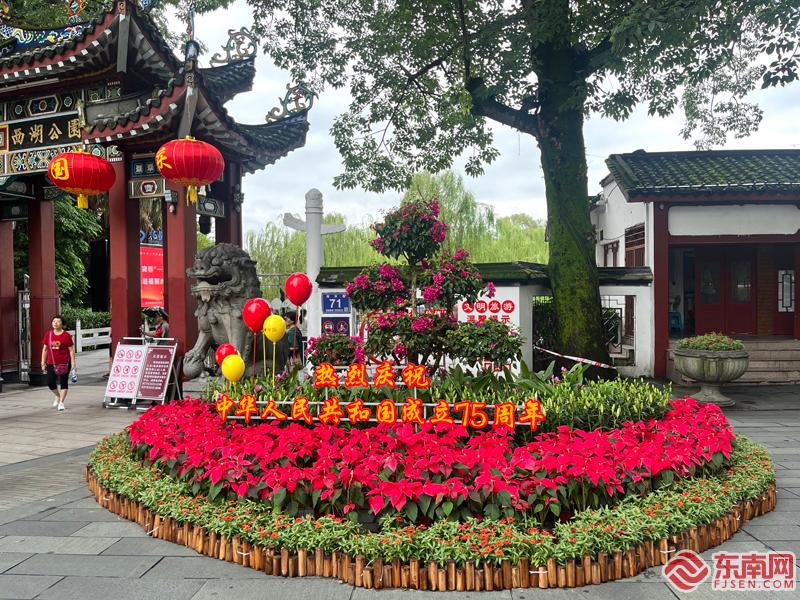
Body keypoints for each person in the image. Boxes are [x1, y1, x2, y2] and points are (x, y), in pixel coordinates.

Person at [40, 315, 76, 411]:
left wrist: (73, 363)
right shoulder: (48, 334)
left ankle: (61, 403)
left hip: (64, 363)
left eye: (58, 321)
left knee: (63, 382)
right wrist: (43, 362)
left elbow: (71, 350)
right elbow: (45, 349)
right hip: (51, 363)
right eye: (54, 321)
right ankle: (58, 395)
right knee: (50, 382)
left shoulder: (66, 335)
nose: (55, 323)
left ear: (62, 323)